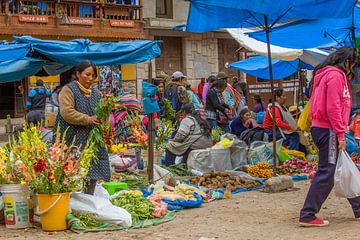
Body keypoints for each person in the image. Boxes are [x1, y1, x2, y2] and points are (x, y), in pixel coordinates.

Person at [299, 46, 360, 227]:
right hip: (329, 130)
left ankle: (358, 207)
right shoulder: (334, 76)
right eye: (353, 65)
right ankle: (308, 214)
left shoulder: (324, 74)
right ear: (346, 61)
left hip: (324, 129)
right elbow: (332, 107)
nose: (352, 70)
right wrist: (340, 134)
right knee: (327, 172)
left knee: (344, 167)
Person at [55, 60, 110, 195]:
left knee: (92, 171)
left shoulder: (96, 93)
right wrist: (89, 119)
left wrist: (104, 117)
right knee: (69, 171)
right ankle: (67, 203)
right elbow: (67, 112)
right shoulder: (68, 90)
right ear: (78, 74)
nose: (90, 79)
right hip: (71, 138)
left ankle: (87, 200)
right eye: (87, 74)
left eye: (93, 76)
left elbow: (102, 113)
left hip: (90, 139)